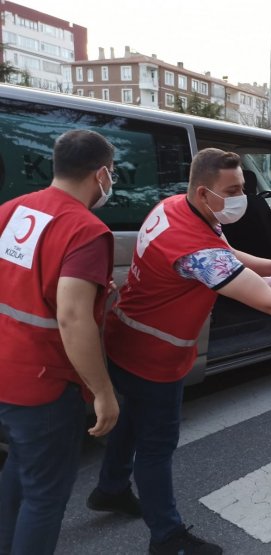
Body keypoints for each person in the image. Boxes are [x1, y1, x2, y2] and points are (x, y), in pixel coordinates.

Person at [86, 148, 271, 555]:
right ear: (205, 192)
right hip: (153, 355)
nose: (245, 196)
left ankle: (111, 487)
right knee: (156, 446)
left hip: (128, 338)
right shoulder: (192, 244)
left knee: (133, 422)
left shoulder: (178, 208)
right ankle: (167, 537)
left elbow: (228, 256)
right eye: (235, 189)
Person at [0, 129, 120, 555]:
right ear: (102, 174)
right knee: (45, 496)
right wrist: (104, 392)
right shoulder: (85, 230)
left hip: (5, 375)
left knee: (21, 467)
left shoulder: (13, 211)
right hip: (42, 386)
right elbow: (72, 317)